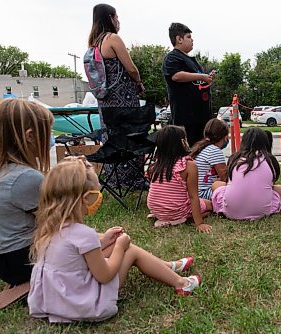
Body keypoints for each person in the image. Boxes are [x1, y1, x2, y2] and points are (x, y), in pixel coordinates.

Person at [28, 157, 201, 323]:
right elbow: (105, 275)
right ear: (86, 198)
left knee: (116, 244)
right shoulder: (83, 234)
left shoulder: (49, 229)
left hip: (54, 302)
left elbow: (76, 254)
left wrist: (104, 240)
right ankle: (181, 283)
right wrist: (119, 246)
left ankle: (167, 266)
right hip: (84, 304)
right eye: (96, 192)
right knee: (130, 250)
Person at [0, 100, 53, 308]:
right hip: (26, 261)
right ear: (30, 136)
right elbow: (59, 222)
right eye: (48, 133)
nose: (50, 139)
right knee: (115, 246)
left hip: (4, 263)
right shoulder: (25, 177)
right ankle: (36, 282)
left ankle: (25, 284)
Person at [88, 4, 145, 188]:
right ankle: (133, 179)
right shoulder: (113, 39)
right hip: (124, 99)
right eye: (117, 17)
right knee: (132, 136)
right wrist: (138, 82)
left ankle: (114, 179)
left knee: (112, 138)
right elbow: (131, 68)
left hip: (105, 101)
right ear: (110, 18)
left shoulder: (94, 43)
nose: (118, 21)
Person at [147, 125, 213, 232]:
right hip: (177, 210)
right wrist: (200, 224)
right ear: (183, 142)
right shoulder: (188, 165)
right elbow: (193, 197)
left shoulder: (155, 166)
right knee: (210, 205)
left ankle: (165, 217)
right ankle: (184, 218)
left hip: (156, 209)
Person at [211, 128, 281, 220]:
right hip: (262, 211)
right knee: (280, 189)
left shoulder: (235, 158)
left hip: (231, 211)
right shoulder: (270, 160)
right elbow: (271, 183)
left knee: (216, 184)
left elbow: (227, 181)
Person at [162, 22, 216, 146]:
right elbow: (176, 76)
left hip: (201, 116)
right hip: (186, 117)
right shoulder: (172, 58)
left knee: (201, 150)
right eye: (189, 37)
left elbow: (198, 81)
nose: (192, 40)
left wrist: (207, 77)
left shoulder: (192, 60)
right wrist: (202, 76)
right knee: (188, 151)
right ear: (179, 39)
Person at [190, 119, 229, 200]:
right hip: (205, 193)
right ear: (225, 137)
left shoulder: (200, 147)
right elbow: (226, 178)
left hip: (196, 192)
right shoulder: (215, 151)